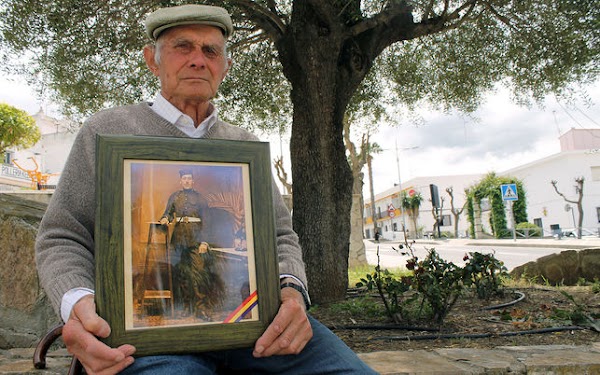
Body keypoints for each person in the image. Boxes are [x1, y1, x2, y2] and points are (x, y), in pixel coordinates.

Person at [35, 4, 377, 374]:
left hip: (257, 330)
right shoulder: (106, 131)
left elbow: (279, 235)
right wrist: (78, 305)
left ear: (224, 67)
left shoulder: (242, 145)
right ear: (153, 60)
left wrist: (292, 292)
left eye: (210, 51)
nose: (198, 60)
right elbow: (61, 236)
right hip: (149, 342)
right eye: (183, 47)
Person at [158, 169, 223, 320]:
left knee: (198, 274)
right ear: (180, 181)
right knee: (181, 274)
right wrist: (165, 219)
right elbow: (167, 213)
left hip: (196, 239)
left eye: (189, 178)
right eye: (184, 178)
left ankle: (201, 309)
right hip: (179, 240)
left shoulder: (200, 199)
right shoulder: (174, 197)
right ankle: (187, 307)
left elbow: (207, 222)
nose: (187, 181)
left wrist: (204, 242)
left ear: (193, 181)